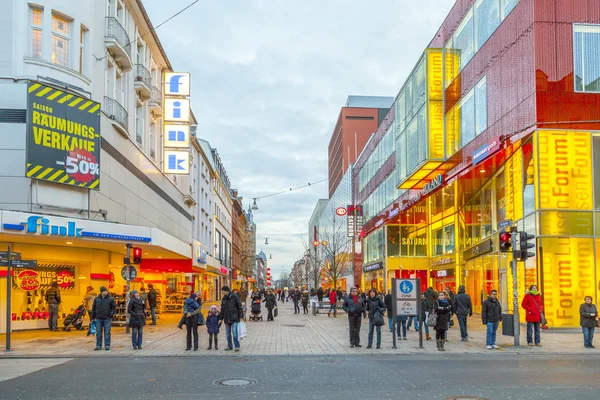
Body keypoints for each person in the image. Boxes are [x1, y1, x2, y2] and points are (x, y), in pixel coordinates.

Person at [91, 286, 116, 351]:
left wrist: (110, 315)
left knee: (107, 332)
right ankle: (98, 345)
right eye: (104, 291)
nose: (105, 292)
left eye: (106, 291)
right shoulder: (97, 299)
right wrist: (92, 318)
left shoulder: (110, 299)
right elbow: (93, 309)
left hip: (107, 318)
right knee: (98, 333)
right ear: (101, 292)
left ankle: (107, 345)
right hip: (98, 318)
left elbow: (114, 308)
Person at [220, 286, 243, 352]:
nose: (222, 292)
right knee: (228, 333)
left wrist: (241, 316)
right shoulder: (224, 298)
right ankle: (229, 346)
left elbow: (239, 306)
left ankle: (237, 346)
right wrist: (220, 318)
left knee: (234, 332)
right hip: (226, 318)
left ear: (226, 291)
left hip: (234, 317)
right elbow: (222, 309)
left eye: (222, 291)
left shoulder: (235, 296)